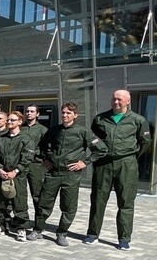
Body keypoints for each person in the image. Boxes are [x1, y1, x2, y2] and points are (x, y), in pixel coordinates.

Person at [29, 103, 107, 247]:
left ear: (75, 115)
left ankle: (62, 233)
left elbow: (101, 149)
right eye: (63, 113)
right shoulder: (53, 130)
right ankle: (38, 230)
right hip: (53, 174)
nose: (65, 115)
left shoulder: (83, 132)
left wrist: (85, 162)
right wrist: (45, 160)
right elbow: (41, 146)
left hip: (71, 175)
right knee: (43, 203)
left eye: (68, 113)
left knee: (68, 206)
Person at [84, 89, 151, 250]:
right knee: (98, 200)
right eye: (114, 99)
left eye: (120, 100)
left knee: (126, 202)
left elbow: (145, 142)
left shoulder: (138, 120)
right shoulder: (100, 119)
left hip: (126, 164)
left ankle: (124, 239)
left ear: (128, 101)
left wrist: (131, 157)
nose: (116, 102)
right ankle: (93, 234)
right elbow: (93, 140)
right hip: (103, 164)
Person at [0, 111, 35, 242]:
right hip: (2, 175)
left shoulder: (26, 139)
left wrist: (15, 171)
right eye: (8, 120)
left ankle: (21, 229)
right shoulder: (1, 139)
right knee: (0, 202)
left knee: (19, 203)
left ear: (20, 122)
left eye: (12, 120)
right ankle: (0, 226)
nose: (9, 122)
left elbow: (27, 158)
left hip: (17, 176)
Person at [20, 104, 47, 222]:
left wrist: (35, 154)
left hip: (35, 164)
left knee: (37, 194)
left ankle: (39, 222)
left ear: (37, 114)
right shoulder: (20, 128)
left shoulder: (43, 130)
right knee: (19, 194)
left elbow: (46, 147)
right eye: (27, 111)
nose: (29, 113)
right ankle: (20, 219)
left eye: (32, 111)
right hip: (20, 164)